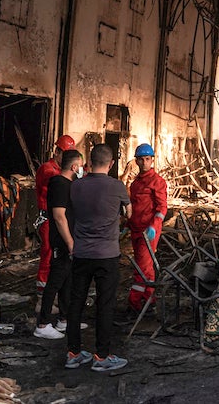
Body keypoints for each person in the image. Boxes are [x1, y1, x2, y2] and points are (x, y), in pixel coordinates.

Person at [64, 144, 131, 372]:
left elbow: (71, 213)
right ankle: (101, 356)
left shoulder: (76, 186)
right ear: (111, 164)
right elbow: (129, 213)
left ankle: (73, 353)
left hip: (81, 253)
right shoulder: (117, 186)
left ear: (90, 163)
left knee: (76, 303)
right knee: (105, 304)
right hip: (107, 255)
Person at [34, 148, 82, 339]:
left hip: (67, 240)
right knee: (55, 281)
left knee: (66, 281)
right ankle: (43, 323)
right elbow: (59, 216)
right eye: (80, 166)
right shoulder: (60, 184)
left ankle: (64, 318)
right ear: (74, 167)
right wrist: (70, 242)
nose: (82, 170)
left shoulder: (67, 184)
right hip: (62, 241)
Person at [127, 143, 168, 312]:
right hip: (136, 230)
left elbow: (162, 208)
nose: (144, 163)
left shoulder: (157, 182)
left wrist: (154, 226)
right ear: (136, 161)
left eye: (147, 159)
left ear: (152, 160)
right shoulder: (135, 184)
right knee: (146, 266)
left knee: (141, 268)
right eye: (141, 159)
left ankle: (134, 303)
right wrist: (127, 225)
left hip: (148, 232)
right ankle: (149, 300)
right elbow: (134, 207)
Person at [34, 134, 75, 293]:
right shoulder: (48, 169)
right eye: (65, 154)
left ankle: (55, 289)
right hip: (48, 219)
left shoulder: (59, 170)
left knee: (58, 255)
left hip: (56, 218)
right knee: (48, 253)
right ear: (57, 152)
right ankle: (42, 292)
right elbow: (58, 181)